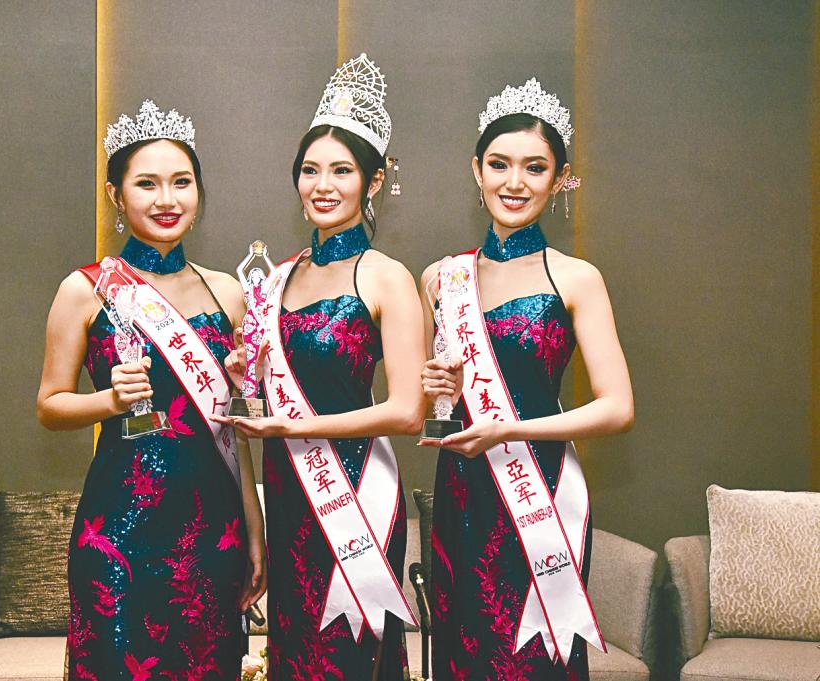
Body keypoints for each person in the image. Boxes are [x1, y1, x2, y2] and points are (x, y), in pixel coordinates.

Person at [37, 100, 265, 681]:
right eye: (147, 183)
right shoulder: (85, 289)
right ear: (117, 195)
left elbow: (232, 429)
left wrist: (255, 531)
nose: (167, 199)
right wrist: (108, 402)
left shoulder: (228, 294)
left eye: (181, 183)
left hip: (213, 532)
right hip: (119, 526)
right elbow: (50, 405)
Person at [218, 54, 424, 680]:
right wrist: (241, 380)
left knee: (353, 651)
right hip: (288, 492)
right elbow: (265, 386)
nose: (322, 185)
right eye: (310, 170)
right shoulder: (276, 279)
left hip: (356, 490)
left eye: (342, 170)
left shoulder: (388, 276)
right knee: (297, 647)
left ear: (374, 180)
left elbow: (409, 410)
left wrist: (287, 428)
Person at [419, 78, 634, 679]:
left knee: (535, 658)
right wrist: (439, 388)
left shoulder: (577, 278)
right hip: (462, 491)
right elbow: (425, 404)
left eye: (535, 168)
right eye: (499, 164)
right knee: (464, 650)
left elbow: (617, 408)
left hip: (540, 490)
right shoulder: (441, 278)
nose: (514, 183)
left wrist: (513, 427)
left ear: (561, 179)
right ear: (476, 170)